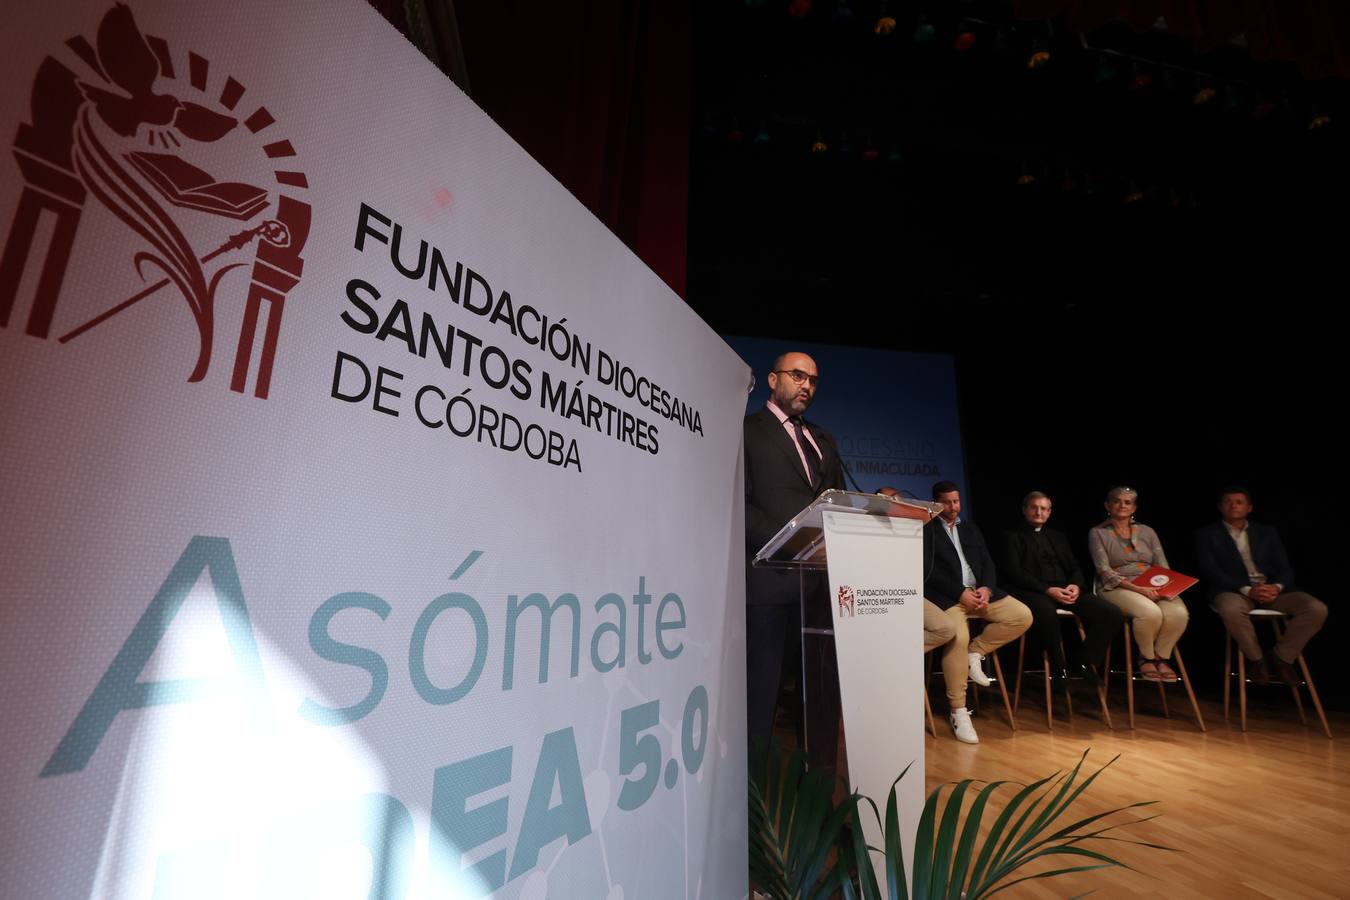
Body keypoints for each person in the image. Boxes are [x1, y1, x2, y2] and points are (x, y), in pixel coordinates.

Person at [744, 351, 845, 767]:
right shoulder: (745, 431)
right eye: (798, 376)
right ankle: (753, 796)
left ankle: (817, 794)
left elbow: (838, 504)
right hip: (768, 586)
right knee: (760, 702)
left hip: (819, 590)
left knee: (820, 704)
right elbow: (738, 504)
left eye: (813, 380)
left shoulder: (824, 439)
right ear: (773, 380)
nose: (807, 386)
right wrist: (792, 542)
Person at [923, 480, 1031, 743]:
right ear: (936, 503)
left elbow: (987, 563)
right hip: (950, 598)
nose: (953, 507)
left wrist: (987, 588)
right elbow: (929, 572)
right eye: (947, 502)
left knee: (1022, 615)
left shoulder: (971, 529)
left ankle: (976, 652)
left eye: (956, 501)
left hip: (980, 595)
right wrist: (960, 593)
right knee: (957, 637)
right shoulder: (926, 530)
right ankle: (958, 711)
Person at [1193, 485, 1328, 685]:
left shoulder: (1266, 532)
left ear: (1249, 508)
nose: (1233, 506)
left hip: (1269, 590)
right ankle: (1257, 661)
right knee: (1230, 609)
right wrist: (1247, 590)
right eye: (1228, 502)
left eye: (1239, 502)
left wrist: (1276, 587)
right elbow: (1210, 571)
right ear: (1220, 507)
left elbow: (1285, 568)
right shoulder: (1206, 534)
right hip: (1234, 590)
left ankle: (1282, 657)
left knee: (1316, 608)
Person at [1001, 491, 1122, 683]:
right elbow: (1014, 572)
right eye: (1034, 507)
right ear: (1024, 510)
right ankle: (1059, 669)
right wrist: (1048, 590)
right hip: (1034, 591)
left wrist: (1075, 585)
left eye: (1043, 508)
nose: (1038, 512)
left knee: (1112, 613)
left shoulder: (1058, 537)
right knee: (1046, 614)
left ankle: (1085, 661)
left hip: (1065, 589)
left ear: (1049, 512)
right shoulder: (1011, 536)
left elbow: (1074, 567)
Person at [1088, 486, 1189, 683]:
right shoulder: (1097, 532)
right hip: (1117, 586)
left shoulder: (1148, 531)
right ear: (1107, 505)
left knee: (1179, 613)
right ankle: (1146, 658)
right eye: (1117, 501)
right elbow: (1104, 570)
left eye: (1127, 502)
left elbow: (1163, 565)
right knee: (1150, 613)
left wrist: (1163, 586)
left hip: (1152, 585)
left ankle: (1161, 657)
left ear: (1134, 508)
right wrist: (1139, 589)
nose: (1122, 506)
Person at [878, 487, 953, 654]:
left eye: (898, 502)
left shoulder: (910, 528)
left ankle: (899, 652)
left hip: (907, 592)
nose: (895, 505)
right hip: (878, 595)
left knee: (946, 629)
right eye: (890, 501)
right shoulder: (867, 526)